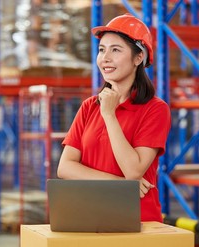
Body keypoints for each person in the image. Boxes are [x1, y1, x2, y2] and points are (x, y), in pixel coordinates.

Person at [57, 13, 171, 222]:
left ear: (139, 58)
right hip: (89, 216)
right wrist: (119, 184)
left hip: (136, 219)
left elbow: (133, 171)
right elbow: (65, 167)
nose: (105, 58)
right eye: (102, 50)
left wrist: (109, 114)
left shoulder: (155, 109)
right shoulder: (89, 107)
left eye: (116, 50)